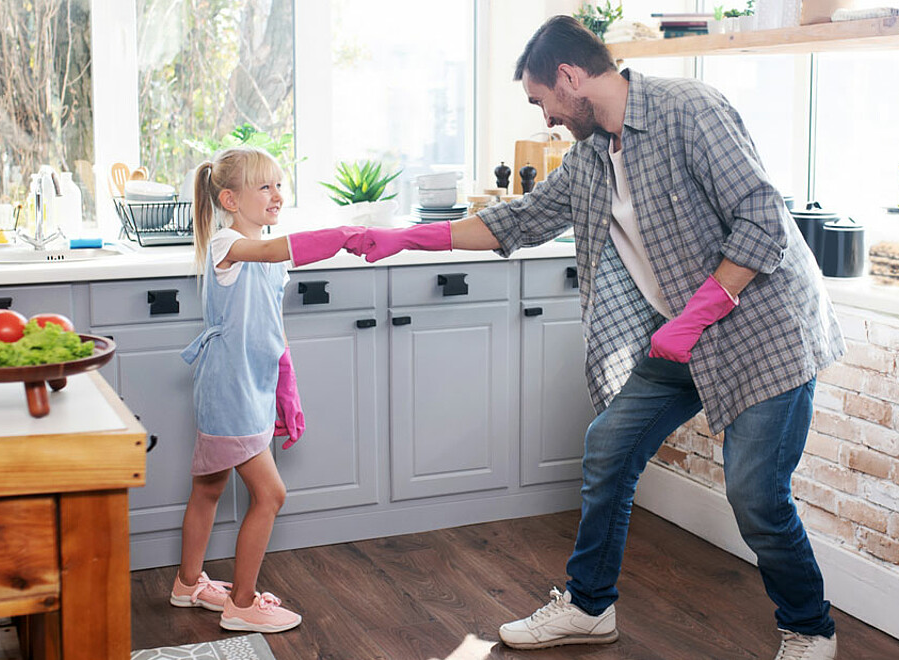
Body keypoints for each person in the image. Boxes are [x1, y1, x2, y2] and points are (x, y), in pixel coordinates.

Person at [351, 15, 845, 660]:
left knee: (756, 498)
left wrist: (696, 315)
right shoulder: (590, 157)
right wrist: (404, 240)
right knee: (607, 453)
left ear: (569, 77)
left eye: (542, 101)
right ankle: (588, 609)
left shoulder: (688, 110)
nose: (547, 118)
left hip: (760, 334)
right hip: (680, 338)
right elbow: (520, 220)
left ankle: (810, 629)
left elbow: (762, 219)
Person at [172, 146, 365, 633]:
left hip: (250, 385)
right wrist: (338, 235)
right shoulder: (227, 245)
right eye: (265, 187)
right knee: (271, 494)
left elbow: (268, 324)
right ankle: (241, 602)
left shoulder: (266, 250)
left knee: (209, 487)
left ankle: (188, 583)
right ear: (231, 199)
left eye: (280, 184)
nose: (278, 195)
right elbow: (271, 251)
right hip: (230, 388)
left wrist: (283, 387)